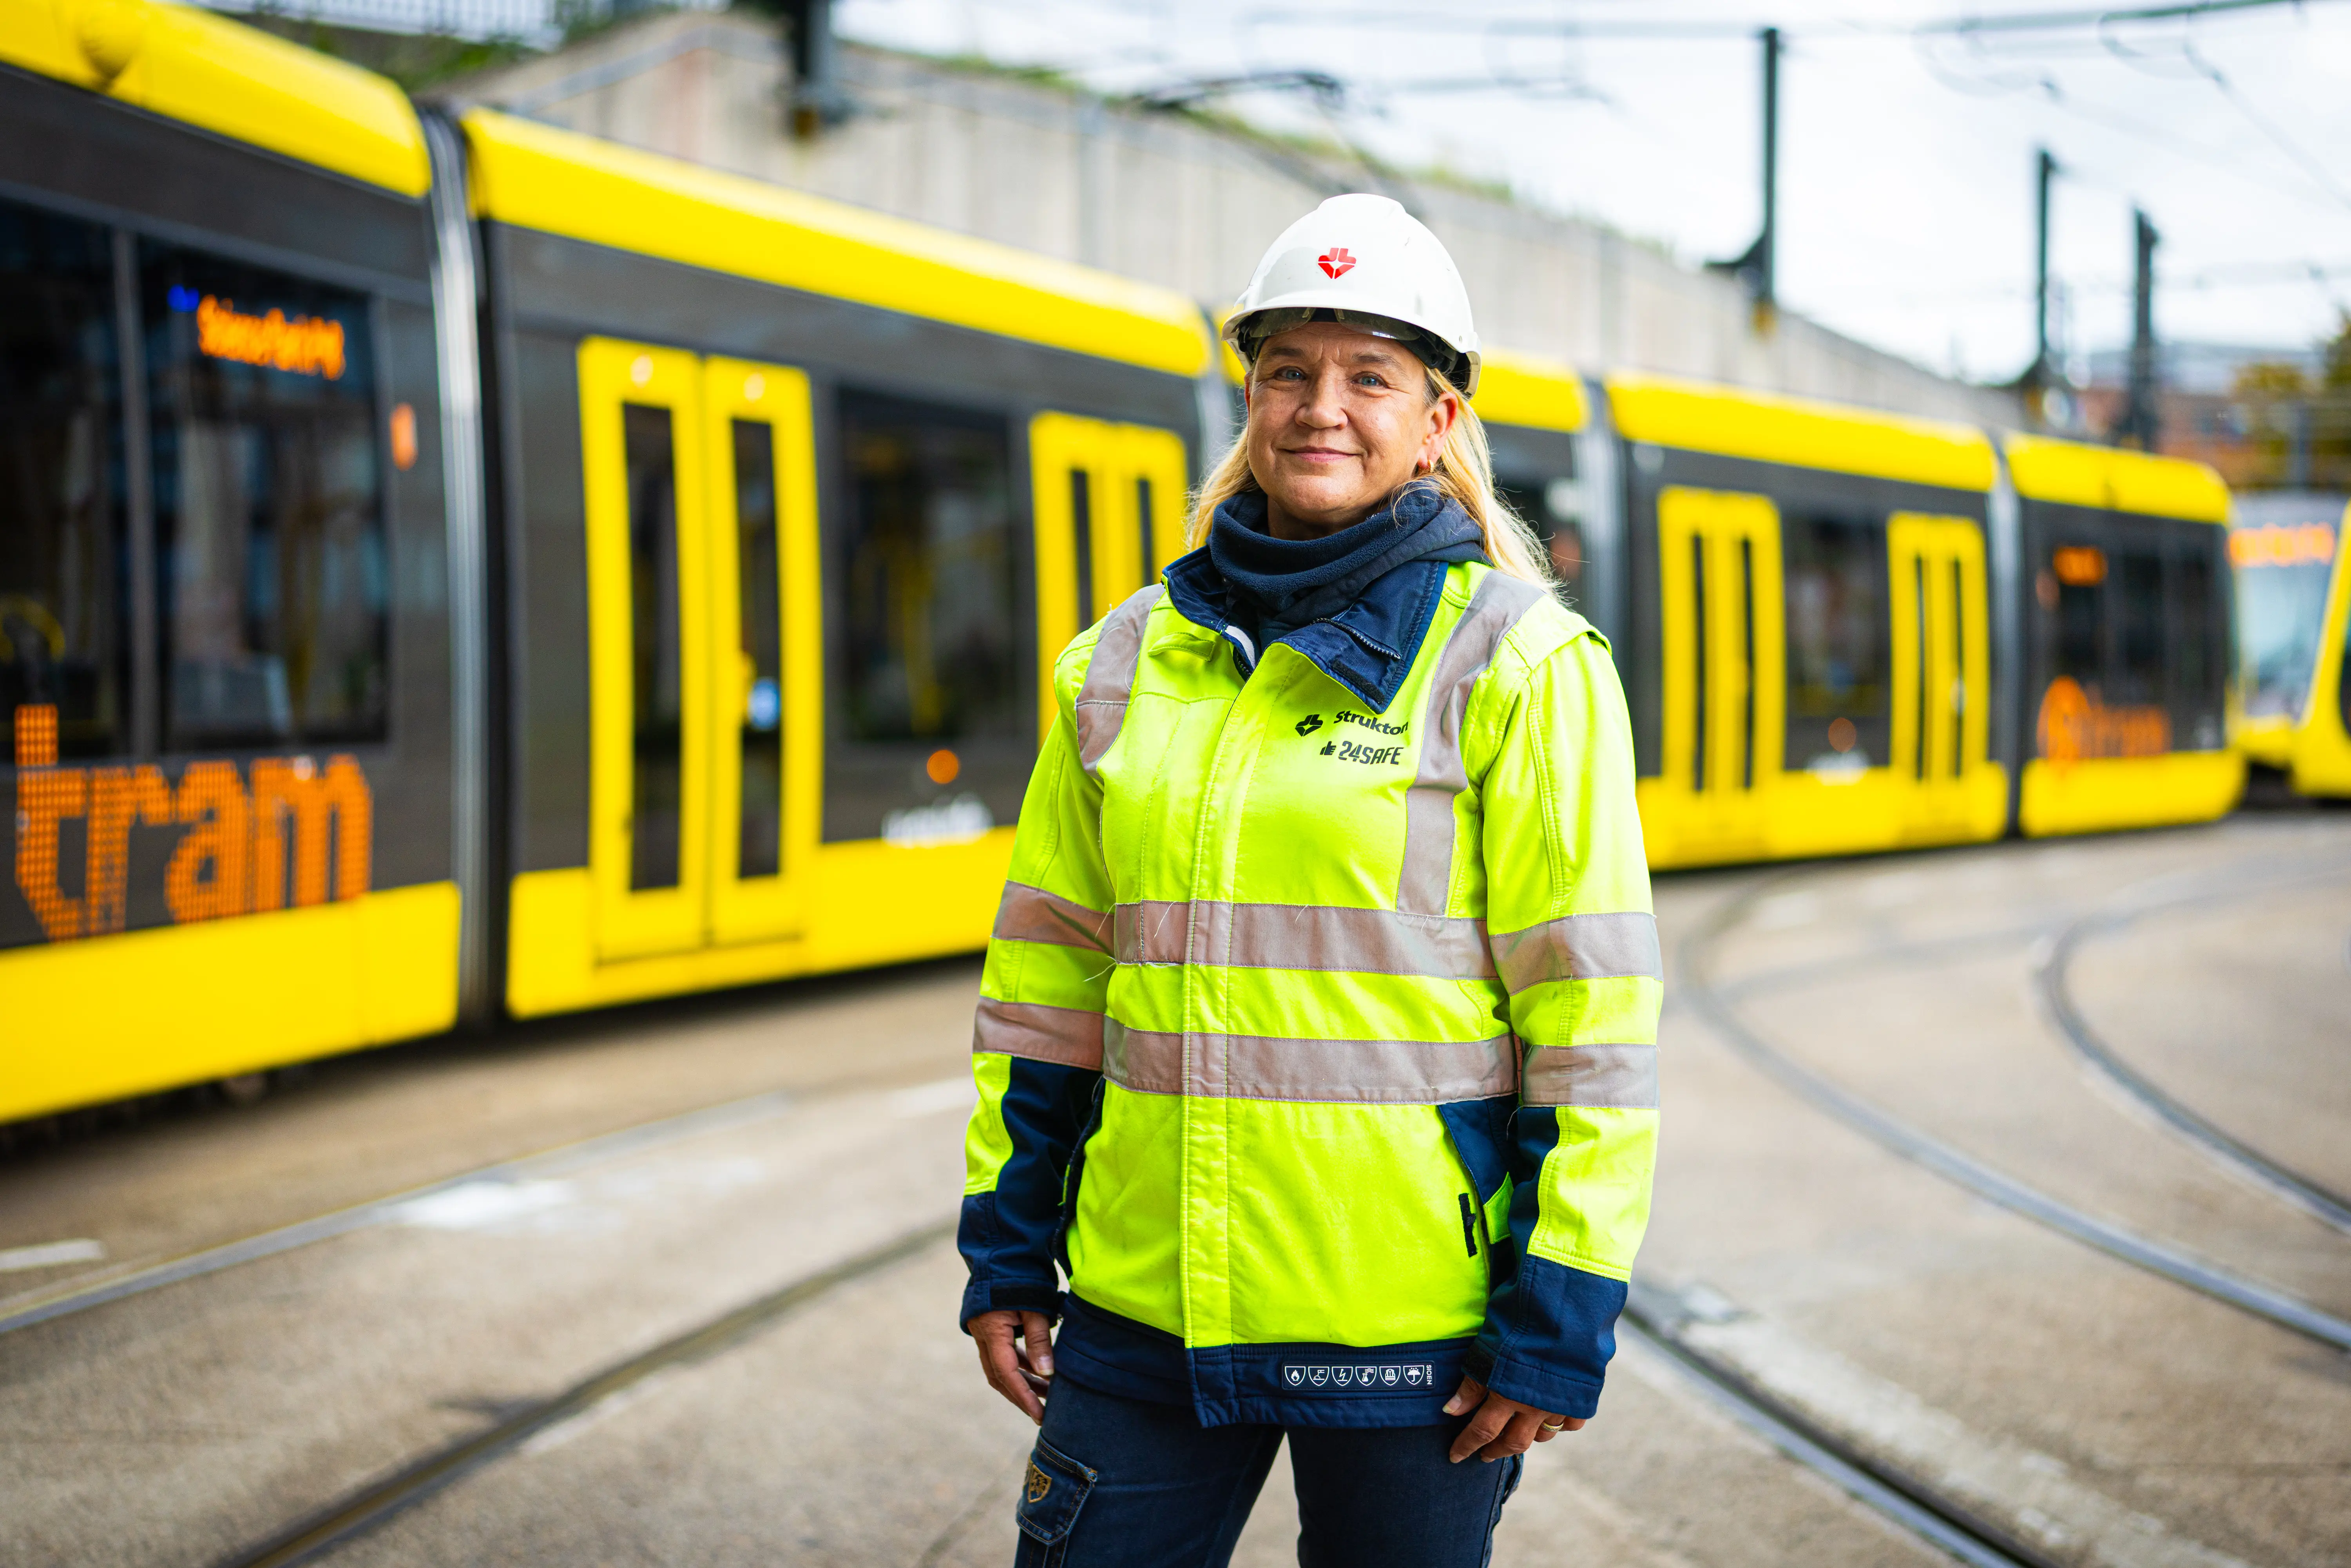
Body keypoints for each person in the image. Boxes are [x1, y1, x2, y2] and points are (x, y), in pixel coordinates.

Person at [957, 192, 1659, 1568]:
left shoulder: (1523, 666)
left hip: (1411, 1331)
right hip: (1147, 1308)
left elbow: (1595, 1027)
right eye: (1288, 370)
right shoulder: (1120, 661)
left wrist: (1559, 1316)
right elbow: (1045, 989)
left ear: (1439, 420)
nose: (1321, 407)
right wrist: (1007, 1246)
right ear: (1251, 398)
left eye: (1370, 377)